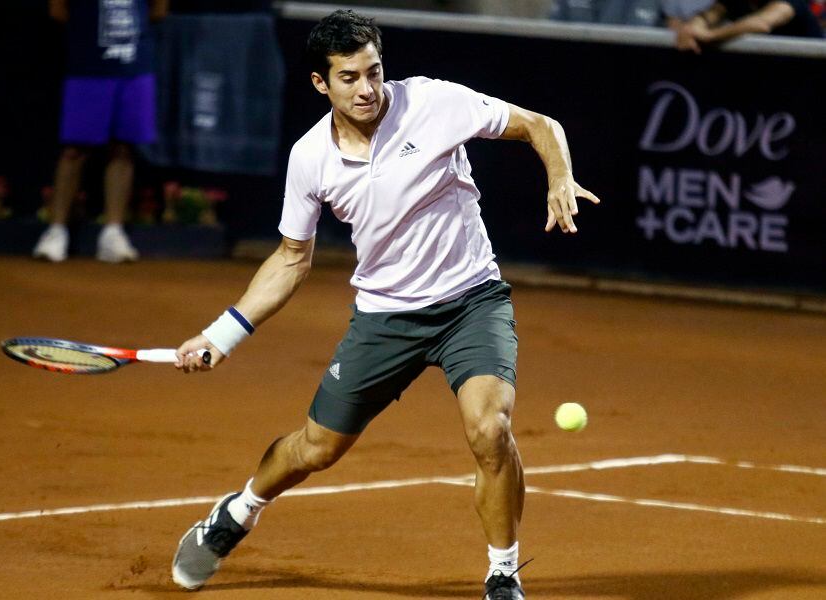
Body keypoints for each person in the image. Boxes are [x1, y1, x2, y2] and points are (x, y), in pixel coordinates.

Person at [170, 9, 600, 600]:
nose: (369, 89)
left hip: (471, 301)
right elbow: (292, 260)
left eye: (374, 71)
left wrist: (559, 177)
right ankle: (238, 511)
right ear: (321, 84)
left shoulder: (432, 102)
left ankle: (503, 574)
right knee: (316, 449)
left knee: (490, 429)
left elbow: (539, 125)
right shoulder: (309, 158)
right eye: (349, 77)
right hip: (385, 317)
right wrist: (221, 335)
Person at [33, 0, 168, 263]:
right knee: (74, 150)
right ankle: (56, 231)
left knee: (124, 148)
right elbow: (58, 10)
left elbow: (159, 10)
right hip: (88, 66)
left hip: (134, 65)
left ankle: (113, 233)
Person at [674, 0, 824, 52]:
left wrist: (710, 36)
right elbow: (708, 15)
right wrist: (692, 28)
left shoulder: (790, 2)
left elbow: (762, 23)